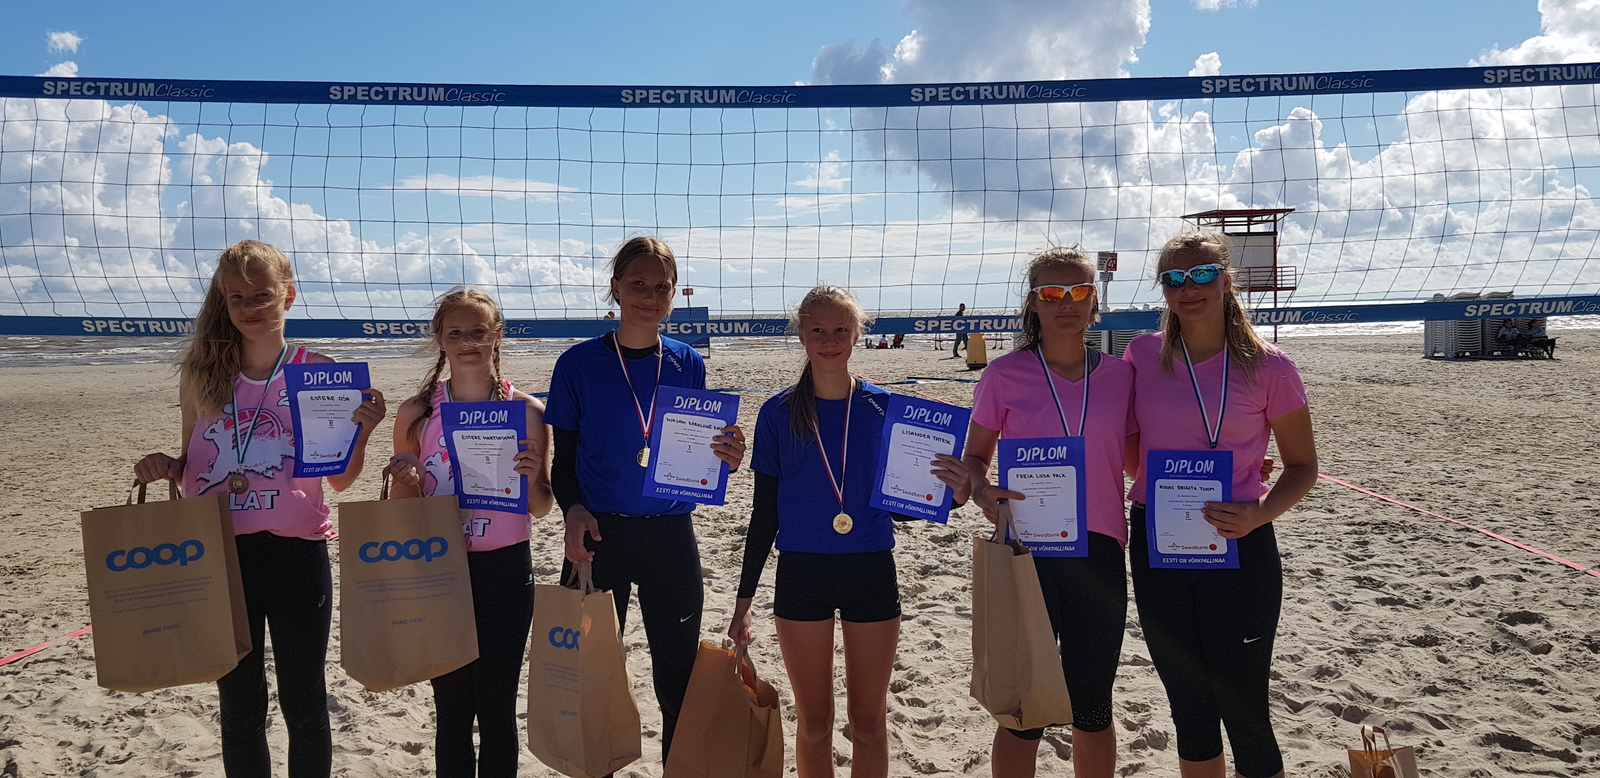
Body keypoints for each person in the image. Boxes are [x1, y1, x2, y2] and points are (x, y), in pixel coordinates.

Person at [133, 239, 387, 778]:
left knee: (304, 701)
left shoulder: (319, 373)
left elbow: (340, 479)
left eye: (262, 295)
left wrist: (362, 433)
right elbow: (191, 464)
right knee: (240, 705)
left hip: (298, 553)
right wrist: (165, 465)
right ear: (223, 302)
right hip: (220, 556)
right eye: (237, 298)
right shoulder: (203, 373)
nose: (249, 307)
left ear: (288, 295)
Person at [729, 285, 970, 778]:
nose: (830, 340)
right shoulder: (777, 412)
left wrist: (954, 494)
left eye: (841, 329)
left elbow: (902, 506)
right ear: (801, 335)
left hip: (870, 568)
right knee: (816, 722)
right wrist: (743, 601)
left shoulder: (886, 409)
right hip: (802, 573)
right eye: (818, 330)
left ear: (858, 334)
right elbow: (764, 514)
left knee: (868, 722)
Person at [1123, 232, 1318, 778]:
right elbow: (1129, 446)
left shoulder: (1271, 366)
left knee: (1246, 710)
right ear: (1163, 289)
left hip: (1240, 541)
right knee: (1189, 708)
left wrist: (1260, 511)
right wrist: (1173, 488)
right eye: (1174, 278)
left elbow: (1303, 466)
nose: (1189, 288)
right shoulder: (1142, 355)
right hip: (1159, 540)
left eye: (1203, 274)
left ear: (1227, 281)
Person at [545, 236, 747, 762]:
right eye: (638, 284)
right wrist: (572, 511)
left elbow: (695, 451)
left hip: (670, 536)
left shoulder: (687, 361)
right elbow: (562, 462)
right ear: (615, 287)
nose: (650, 296)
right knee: (590, 679)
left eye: (662, 287)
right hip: (598, 535)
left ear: (673, 294)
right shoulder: (577, 363)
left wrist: (726, 457)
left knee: (678, 683)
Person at [963, 247, 1134, 778]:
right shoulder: (1003, 375)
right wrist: (981, 491)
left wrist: (1242, 465)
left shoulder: (1122, 375)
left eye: (1079, 291)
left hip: (1099, 550)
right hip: (1027, 550)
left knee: (1093, 706)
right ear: (1033, 303)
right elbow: (975, 458)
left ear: (1094, 301)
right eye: (1052, 293)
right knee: (1022, 711)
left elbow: (1138, 457)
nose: (1067, 303)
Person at [387, 287, 554, 778]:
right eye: (456, 333)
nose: (468, 343)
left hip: (505, 567)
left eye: (478, 332)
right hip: (441, 568)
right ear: (439, 339)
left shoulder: (527, 411)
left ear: (497, 336)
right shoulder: (416, 413)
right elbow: (404, 512)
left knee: (497, 707)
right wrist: (407, 480)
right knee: (453, 710)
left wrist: (531, 478)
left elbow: (543, 506)